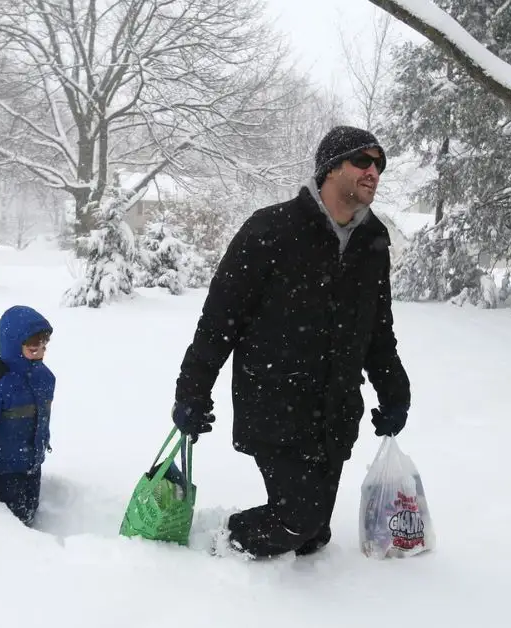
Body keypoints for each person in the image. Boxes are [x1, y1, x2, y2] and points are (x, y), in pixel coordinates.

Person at [171, 125, 412, 559]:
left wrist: (395, 392)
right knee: (295, 520)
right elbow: (218, 321)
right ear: (330, 168)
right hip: (275, 402)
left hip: (336, 409)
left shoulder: (373, 241)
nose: (373, 171)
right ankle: (225, 539)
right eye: (362, 160)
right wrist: (192, 391)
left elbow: (378, 329)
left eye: (379, 164)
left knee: (314, 532)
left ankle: (295, 579)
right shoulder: (271, 230)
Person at [0, 305, 56, 526]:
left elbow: (41, 417)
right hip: (4, 470)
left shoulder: (45, 378)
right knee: (12, 529)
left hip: (33, 464)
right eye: (33, 348)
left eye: (44, 345)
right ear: (14, 344)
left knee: (30, 514)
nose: (41, 352)